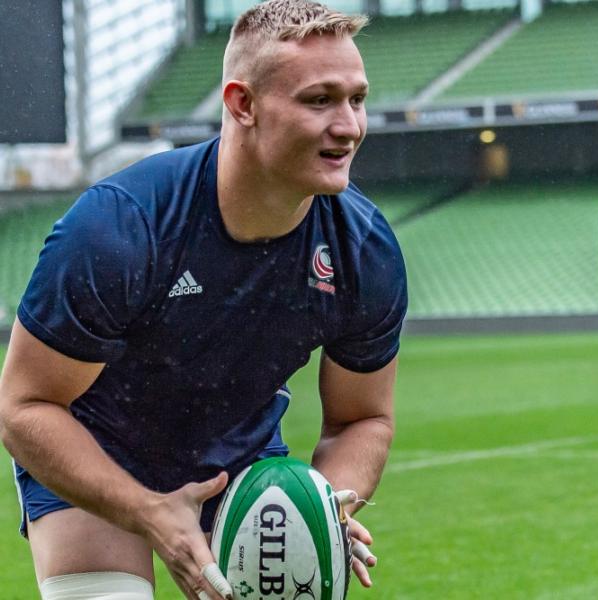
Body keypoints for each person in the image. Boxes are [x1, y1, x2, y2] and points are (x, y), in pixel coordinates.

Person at [0, 1, 407, 598]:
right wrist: (146, 510)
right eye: (319, 101)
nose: (348, 126)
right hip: (94, 443)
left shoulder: (362, 250)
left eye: (357, 99)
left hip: (237, 456)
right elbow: (24, 406)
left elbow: (361, 417)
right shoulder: (122, 228)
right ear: (242, 103)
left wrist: (329, 506)